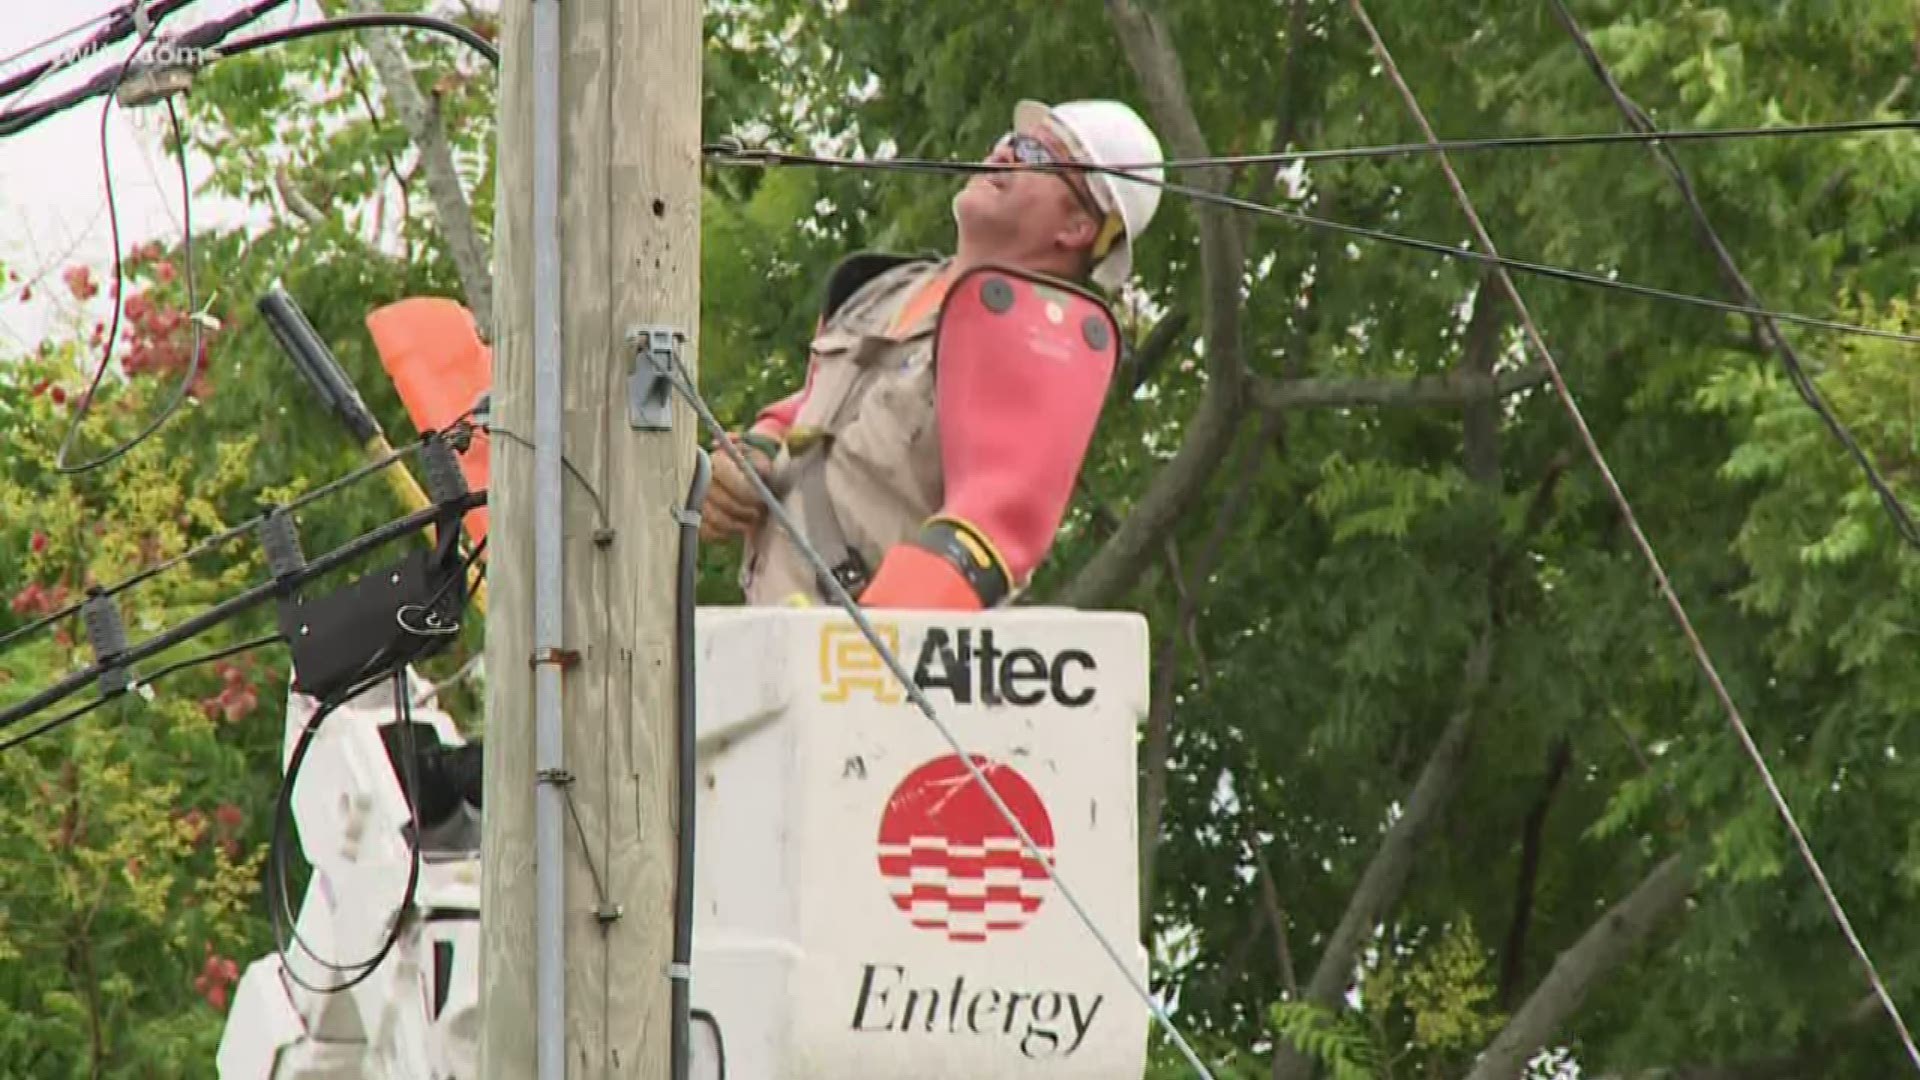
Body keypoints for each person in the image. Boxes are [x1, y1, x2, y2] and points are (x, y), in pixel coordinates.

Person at [699, 98, 1166, 610]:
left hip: (858, 668)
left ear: (1076, 226)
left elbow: (994, 526)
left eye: (1034, 151)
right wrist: (753, 453)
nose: (1005, 153)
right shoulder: (883, 289)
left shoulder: (1042, 334)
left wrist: (877, 650)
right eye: (1008, 140)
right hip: (768, 648)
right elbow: (818, 405)